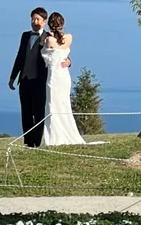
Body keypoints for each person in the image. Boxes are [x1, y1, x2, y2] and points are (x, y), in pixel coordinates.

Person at [8, 8, 70, 147]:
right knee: (26, 112)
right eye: (33, 19)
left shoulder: (48, 37)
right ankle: (28, 141)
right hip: (24, 80)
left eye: (37, 19)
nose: (34, 22)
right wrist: (13, 77)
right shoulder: (25, 36)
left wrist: (69, 62)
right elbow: (20, 57)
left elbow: (59, 53)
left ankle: (36, 141)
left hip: (40, 81)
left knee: (39, 112)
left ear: (44, 21)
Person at [39, 11, 86, 146]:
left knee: (53, 104)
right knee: (64, 104)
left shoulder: (49, 40)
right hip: (64, 75)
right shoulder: (69, 38)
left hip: (54, 75)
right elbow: (62, 53)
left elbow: (47, 58)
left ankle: (55, 136)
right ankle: (66, 133)